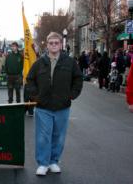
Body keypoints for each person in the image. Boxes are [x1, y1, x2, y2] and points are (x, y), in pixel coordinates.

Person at [25, 32, 83, 176]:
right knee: (43, 136)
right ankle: (43, 164)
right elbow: (30, 80)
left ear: (61, 44)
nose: (54, 45)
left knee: (59, 136)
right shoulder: (39, 63)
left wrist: (72, 95)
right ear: (47, 44)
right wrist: (35, 96)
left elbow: (78, 79)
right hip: (43, 106)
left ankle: (53, 161)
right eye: (51, 43)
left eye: (56, 43)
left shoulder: (69, 62)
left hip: (62, 106)